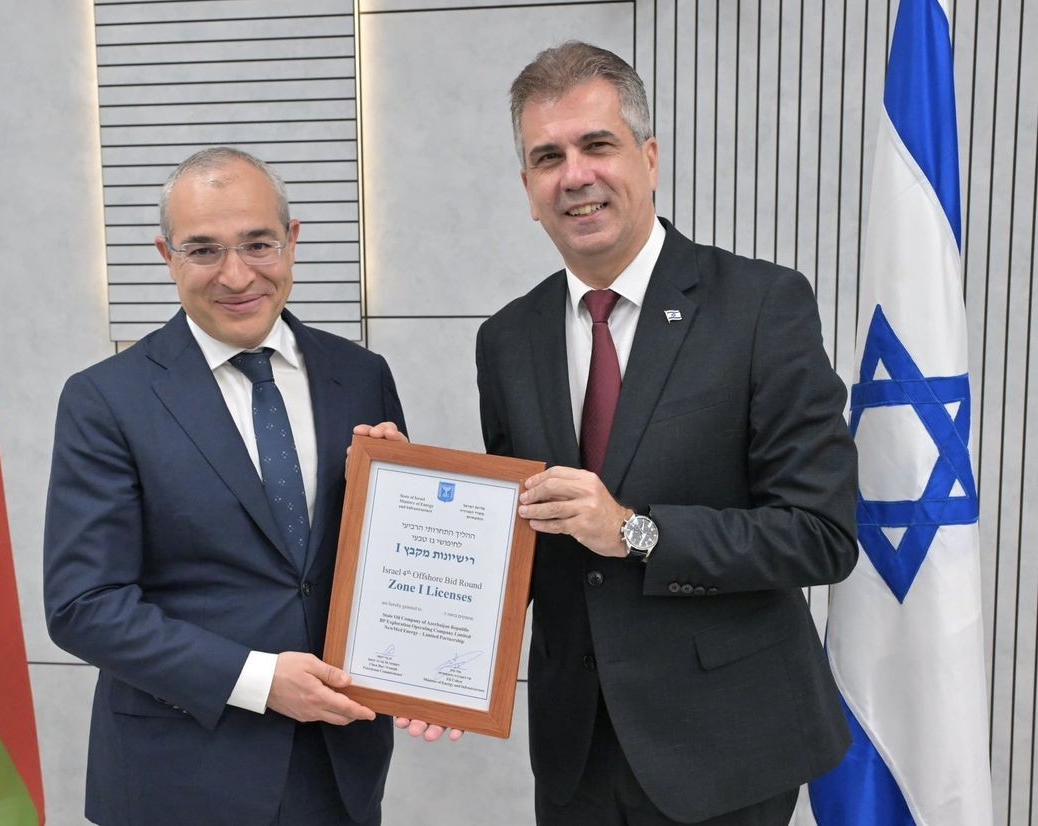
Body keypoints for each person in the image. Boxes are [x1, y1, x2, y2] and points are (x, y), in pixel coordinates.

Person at [473, 42, 860, 825]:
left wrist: (637, 532)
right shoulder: (506, 339)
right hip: (575, 751)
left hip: (726, 748)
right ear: (528, 190)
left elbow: (820, 534)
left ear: (648, 159)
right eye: (548, 157)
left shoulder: (761, 307)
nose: (574, 175)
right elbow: (521, 540)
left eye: (597, 145)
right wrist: (428, 668)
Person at [43, 147, 406, 826]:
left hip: (339, 769)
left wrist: (401, 501)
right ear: (166, 255)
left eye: (258, 244)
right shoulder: (106, 400)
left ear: (292, 241)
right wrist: (262, 682)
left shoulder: (361, 374)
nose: (237, 275)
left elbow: (378, 568)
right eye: (204, 250)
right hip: (180, 780)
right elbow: (83, 605)